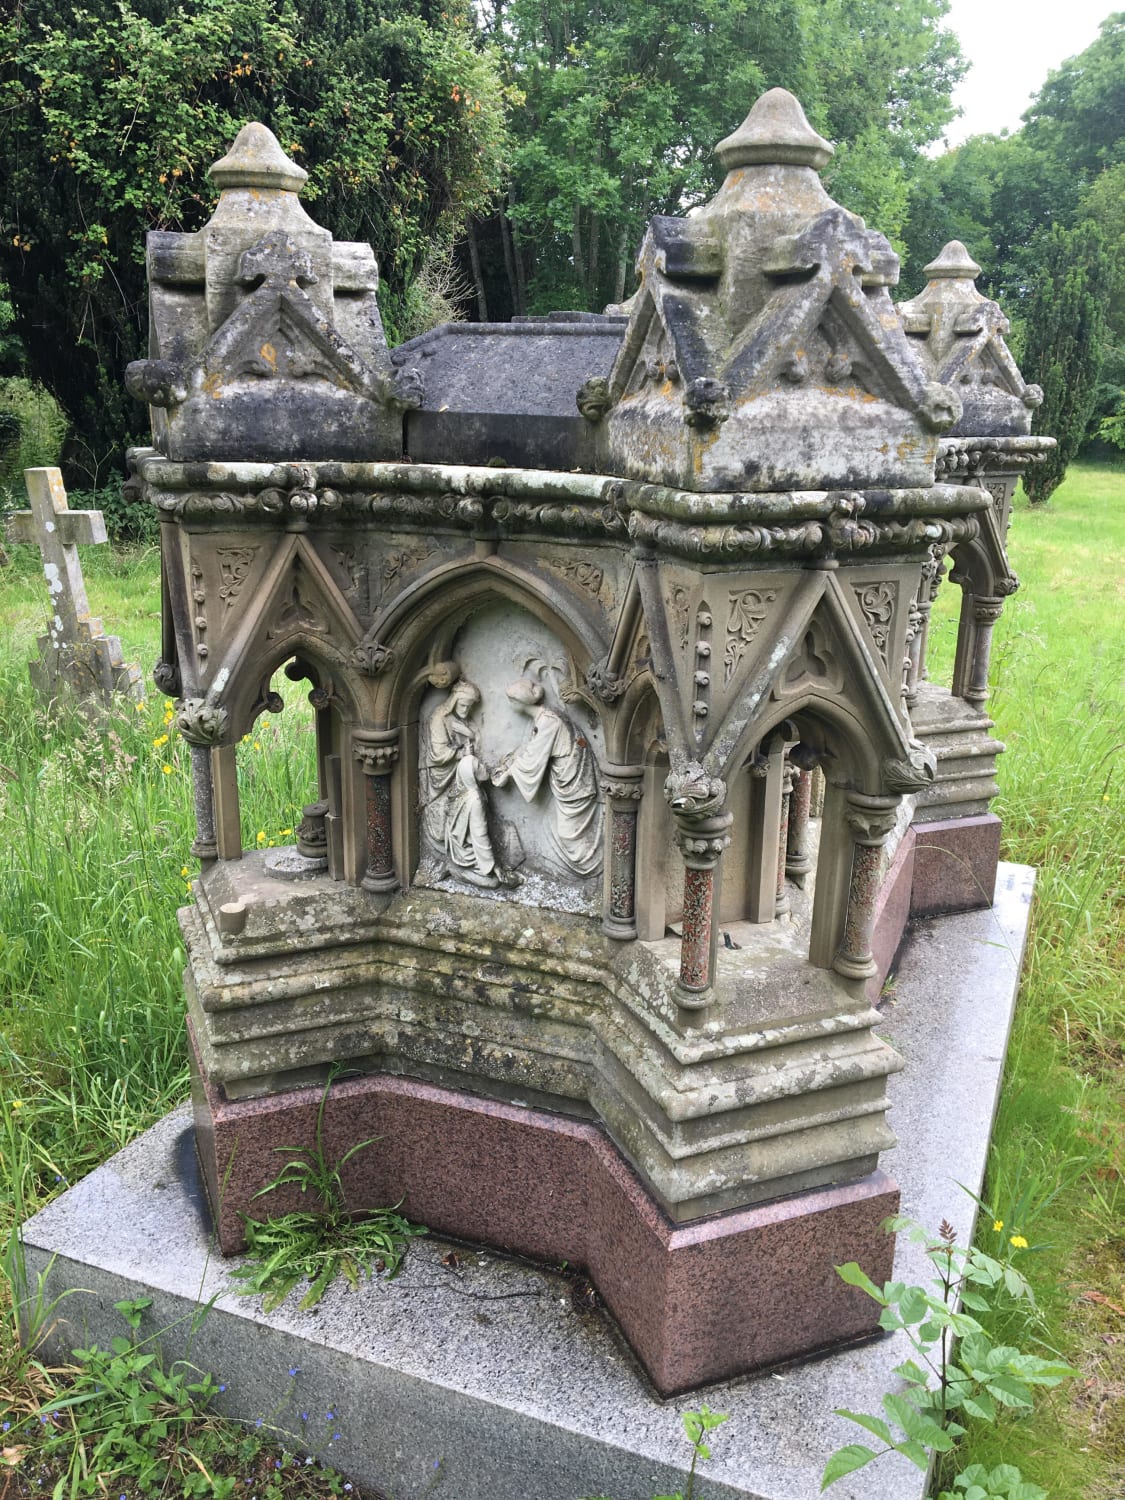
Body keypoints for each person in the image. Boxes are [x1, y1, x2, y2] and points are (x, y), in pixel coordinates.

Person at [492, 678, 602, 877]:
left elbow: (533, 757)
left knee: (568, 835)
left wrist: (508, 773)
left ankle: (590, 869)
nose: (509, 704)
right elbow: (531, 749)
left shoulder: (548, 722)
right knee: (558, 830)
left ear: (520, 702)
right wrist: (510, 763)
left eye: (511, 700)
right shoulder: (544, 718)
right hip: (565, 779)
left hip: (573, 783)